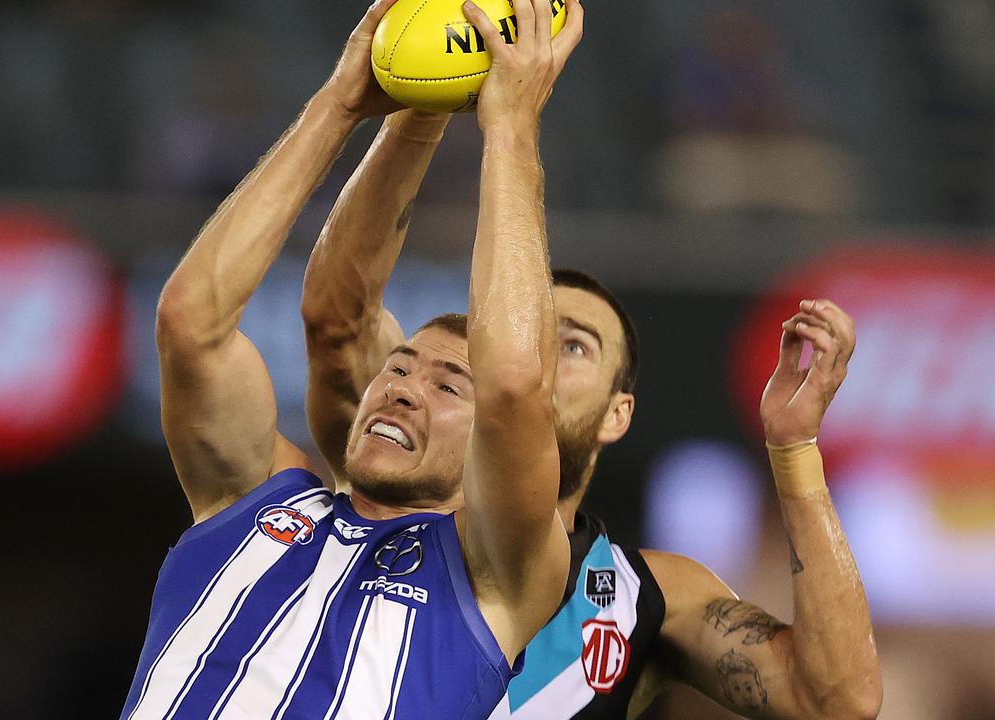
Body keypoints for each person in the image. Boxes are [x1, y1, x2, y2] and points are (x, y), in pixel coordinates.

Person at [301, 95, 883, 720]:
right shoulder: (394, 490)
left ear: (617, 414)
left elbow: (839, 702)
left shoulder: (648, 595)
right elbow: (340, 321)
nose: (538, 363)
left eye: (572, 345)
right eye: (529, 336)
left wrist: (794, 450)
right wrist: (416, 111)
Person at [117, 0, 587, 717]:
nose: (401, 388)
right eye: (398, 367)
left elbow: (516, 385)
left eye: (447, 384)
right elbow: (192, 324)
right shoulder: (259, 498)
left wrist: (512, 130)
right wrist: (342, 106)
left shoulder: (497, 573)